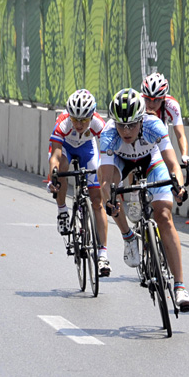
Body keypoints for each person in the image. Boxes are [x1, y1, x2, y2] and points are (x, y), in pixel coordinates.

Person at [97, 88, 189, 311]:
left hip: (151, 160)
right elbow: (105, 178)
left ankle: (180, 287)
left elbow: (172, 164)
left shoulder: (154, 125)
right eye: (121, 125)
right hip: (122, 163)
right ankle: (128, 236)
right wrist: (110, 200)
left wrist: (178, 187)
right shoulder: (109, 134)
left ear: (141, 119)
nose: (126, 130)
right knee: (111, 193)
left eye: (131, 124)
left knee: (164, 216)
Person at [47, 89, 110, 275]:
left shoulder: (99, 124)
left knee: (97, 201)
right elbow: (55, 156)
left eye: (83, 120)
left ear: (92, 116)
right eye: (75, 119)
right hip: (65, 148)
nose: (79, 124)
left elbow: (108, 154)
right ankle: (62, 211)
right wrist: (54, 176)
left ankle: (103, 255)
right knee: (62, 168)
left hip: (87, 149)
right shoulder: (63, 123)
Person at [141, 72, 189, 170]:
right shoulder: (138, 102)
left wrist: (184, 155)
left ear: (163, 98)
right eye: (148, 99)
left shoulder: (171, 105)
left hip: (159, 139)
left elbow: (180, 135)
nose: (151, 104)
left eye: (156, 100)